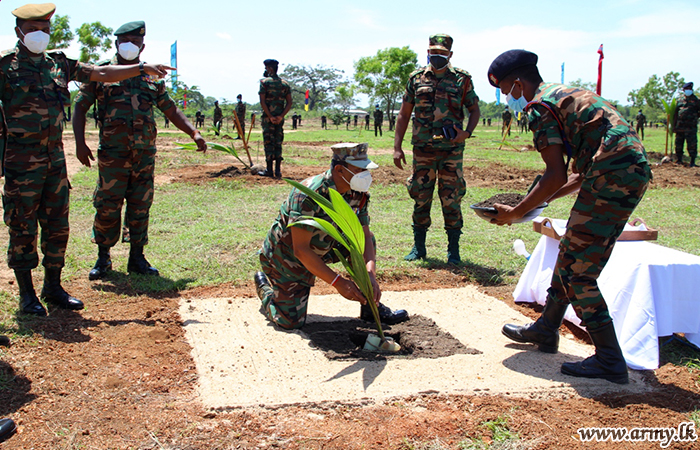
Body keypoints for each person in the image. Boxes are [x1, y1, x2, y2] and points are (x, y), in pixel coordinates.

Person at [486, 49, 651, 384]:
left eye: (505, 90)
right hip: (625, 172)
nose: (507, 98)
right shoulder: (566, 95)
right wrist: (536, 205)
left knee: (579, 273)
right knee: (570, 252)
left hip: (611, 177)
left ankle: (609, 360)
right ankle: (547, 329)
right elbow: (574, 177)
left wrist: (516, 213)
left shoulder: (539, 106)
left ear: (518, 83)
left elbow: (554, 176)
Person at [1, 4, 174, 316]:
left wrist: (140, 68)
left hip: (55, 163)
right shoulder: (4, 67)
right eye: (32, 30)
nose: (38, 34)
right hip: (20, 164)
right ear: (19, 33)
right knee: (22, 227)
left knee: (57, 227)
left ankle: (52, 287)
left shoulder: (59, 64)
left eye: (44, 28)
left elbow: (103, 73)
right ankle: (27, 295)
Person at [73, 20, 207, 281]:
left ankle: (137, 257)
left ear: (142, 46)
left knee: (140, 204)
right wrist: (80, 142)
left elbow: (170, 108)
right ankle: (103, 258)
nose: (130, 46)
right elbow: (80, 107)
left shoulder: (151, 77)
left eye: (136, 42)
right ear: (116, 44)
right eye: (126, 41)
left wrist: (194, 132)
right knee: (108, 204)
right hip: (113, 153)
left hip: (144, 155)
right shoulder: (101, 73)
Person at [254, 143, 408, 329]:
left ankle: (370, 306)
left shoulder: (358, 193)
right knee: (290, 322)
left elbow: (365, 236)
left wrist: (370, 276)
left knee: (362, 243)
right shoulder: (309, 194)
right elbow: (300, 249)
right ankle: (266, 291)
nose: (366, 174)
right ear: (339, 169)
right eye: (360, 169)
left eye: (366, 169)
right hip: (287, 257)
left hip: (325, 246)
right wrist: (338, 282)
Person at [393, 34, 480, 265]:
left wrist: (466, 133)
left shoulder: (462, 80)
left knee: (451, 198)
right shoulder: (415, 79)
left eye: (442, 53)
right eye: (433, 51)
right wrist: (397, 147)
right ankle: (419, 248)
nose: (436, 56)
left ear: (450, 55)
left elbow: (475, 110)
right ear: (427, 52)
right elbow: (403, 113)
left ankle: (453, 251)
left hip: (451, 150)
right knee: (421, 197)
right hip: (423, 149)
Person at [259, 58, 292, 178]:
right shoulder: (285, 84)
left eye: (267, 68)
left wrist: (270, 116)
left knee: (268, 142)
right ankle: (278, 171)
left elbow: (262, 102)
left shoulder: (264, 82)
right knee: (278, 142)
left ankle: (269, 170)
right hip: (279, 119)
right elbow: (289, 103)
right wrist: (280, 116)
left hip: (268, 119)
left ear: (270, 68)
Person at [672, 82, 699, 167]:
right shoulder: (680, 100)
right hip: (680, 127)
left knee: (692, 145)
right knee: (678, 144)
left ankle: (692, 161)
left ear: (691, 90)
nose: (687, 91)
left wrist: (694, 118)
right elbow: (675, 114)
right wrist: (674, 126)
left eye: (688, 89)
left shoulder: (696, 101)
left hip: (691, 128)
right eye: (685, 90)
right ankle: (679, 160)